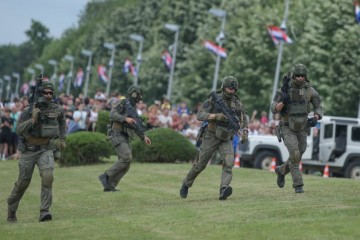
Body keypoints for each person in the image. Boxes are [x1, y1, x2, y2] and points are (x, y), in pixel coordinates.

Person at [7, 77, 66, 223]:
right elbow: (18, 130)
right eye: (45, 92)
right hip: (28, 151)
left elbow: (62, 122)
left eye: (51, 92)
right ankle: (11, 210)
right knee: (23, 183)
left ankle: (44, 212)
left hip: (45, 149)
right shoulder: (28, 110)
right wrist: (32, 120)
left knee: (48, 177)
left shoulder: (56, 108)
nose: (48, 95)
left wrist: (63, 139)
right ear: (40, 94)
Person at [179, 76, 248, 200]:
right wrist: (216, 116)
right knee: (201, 164)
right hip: (211, 135)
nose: (231, 91)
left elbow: (244, 117)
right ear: (223, 87)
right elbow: (200, 115)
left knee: (229, 162)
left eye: (233, 89)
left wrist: (245, 131)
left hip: (226, 137)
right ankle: (186, 184)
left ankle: (224, 189)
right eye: (228, 88)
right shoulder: (214, 99)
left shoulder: (237, 102)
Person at [271, 63, 322, 193]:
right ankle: (298, 185)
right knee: (294, 154)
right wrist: (284, 101)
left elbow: (318, 105)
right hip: (288, 126)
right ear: (294, 76)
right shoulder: (284, 90)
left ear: (305, 77)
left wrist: (316, 117)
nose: (300, 78)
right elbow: (274, 109)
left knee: (300, 152)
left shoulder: (309, 90)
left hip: (303, 127)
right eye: (298, 76)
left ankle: (281, 170)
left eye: (302, 76)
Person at [98, 85, 151, 192]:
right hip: (117, 134)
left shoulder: (133, 108)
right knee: (126, 157)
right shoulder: (123, 103)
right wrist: (125, 119)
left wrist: (143, 136)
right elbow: (112, 114)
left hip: (125, 135)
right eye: (138, 94)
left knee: (127, 162)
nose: (139, 97)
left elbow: (135, 124)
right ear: (134, 94)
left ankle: (110, 185)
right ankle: (106, 175)